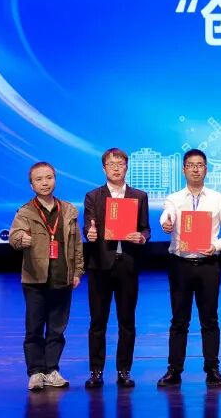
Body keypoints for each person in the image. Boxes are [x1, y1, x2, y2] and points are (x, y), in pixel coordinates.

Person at [157, 149, 221, 388]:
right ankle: (174, 370)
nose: (195, 169)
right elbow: (166, 216)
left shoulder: (218, 199)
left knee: (210, 319)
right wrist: (166, 224)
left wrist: (216, 246)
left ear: (206, 169)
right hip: (180, 265)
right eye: (191, 165)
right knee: (179, 320)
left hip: (208, 265)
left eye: (200, 165)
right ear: (183, 169)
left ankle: (212, 369)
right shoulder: (174, 198)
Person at [9, 162, 83, 391]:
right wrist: (21, 239)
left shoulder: (68, 210)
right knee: (34, 328)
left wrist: (77, 271)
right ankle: (35, 372)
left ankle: (52, 370)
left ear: (55, 180)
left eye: (49, 177)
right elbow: (14, 236)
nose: (45, 183)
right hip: (35, 279)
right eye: (39, 179)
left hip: (62, 276)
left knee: (57, 329)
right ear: (31, 185)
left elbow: (77, 244)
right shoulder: (25, 211)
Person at [82, 148, 151, 389]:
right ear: (104, 169)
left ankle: (124, 370)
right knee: (98, 322)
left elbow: (146, 228)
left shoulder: (139, 196)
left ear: (126, 167)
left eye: (120, 163)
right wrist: (90, 233)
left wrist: (142, 237)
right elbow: (88, 227)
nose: (116, 168)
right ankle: (96, 371)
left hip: (127, 265)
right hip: (100, 265)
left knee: (127, 321)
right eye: (111, 164)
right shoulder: (93, 196)